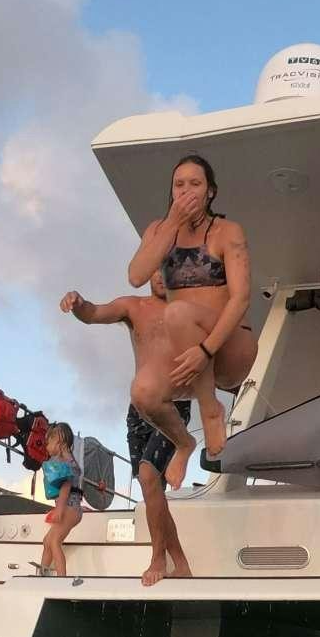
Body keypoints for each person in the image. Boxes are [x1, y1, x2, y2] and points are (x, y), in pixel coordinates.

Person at [124, 154, 255, 488]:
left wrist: (207, 350)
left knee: (177, 312)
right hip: (187, 352)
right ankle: (184, 442)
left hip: (228, 346)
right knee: (143, 392)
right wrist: (170, 223)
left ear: (210, 191)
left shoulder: (228, 231)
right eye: (179, 184)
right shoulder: (159, 230)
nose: (186, 191)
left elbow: (241, 298)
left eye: (195, 184)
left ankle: (212, 411)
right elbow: (136, 275)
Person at [59, 279, 193, 586]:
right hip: (139, 410)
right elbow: (95, 313)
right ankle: (181, 562)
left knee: (148, 477)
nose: (161, 275)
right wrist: (79, 304)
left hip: (174, 404)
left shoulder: (185, 311)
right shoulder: (134, 307)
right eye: (156, 269)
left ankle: (158, 557)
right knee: (152, 489)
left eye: (167, 269)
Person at [37, 422, 82, 576]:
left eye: (48, 443)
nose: (47, 447)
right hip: (70, 508)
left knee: (54, 541)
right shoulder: (69, 460)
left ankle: (61, 578)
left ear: (59, 442)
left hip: (69, 508)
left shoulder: (65, 461)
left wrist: (59, 509)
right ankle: (42, 574)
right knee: (47, 541)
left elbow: (66, 486)